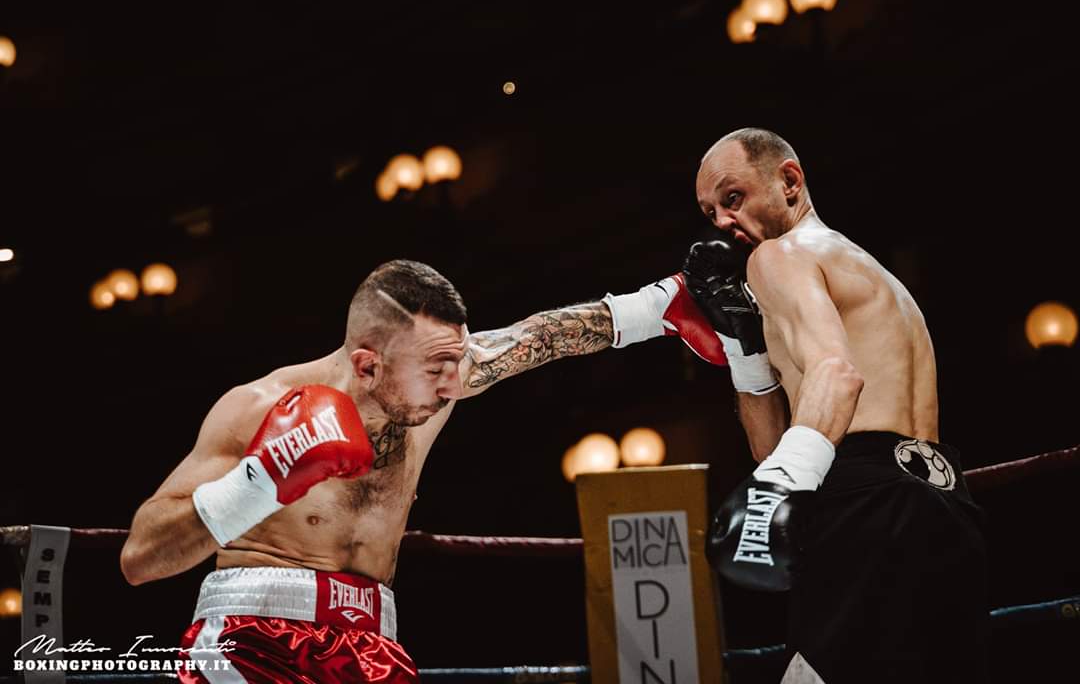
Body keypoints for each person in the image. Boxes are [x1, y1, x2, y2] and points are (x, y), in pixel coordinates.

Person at [120, 258, 725, 683]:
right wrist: (259, 480)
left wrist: (660, 306)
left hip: (371, 643)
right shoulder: (255, 408)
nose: (453, 384)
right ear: (368, 365)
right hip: (252, 643)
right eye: (436, 369)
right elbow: (141, 558)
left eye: (456, 362)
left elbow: (541, 336)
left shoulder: (441, 378)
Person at [687, 128, 988, 683]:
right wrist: (744, 346)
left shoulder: (778, 258)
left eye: (733, 198)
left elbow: (835, 375)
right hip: (945, 502)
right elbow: (772, 444)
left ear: (790, 181)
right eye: (711, 213)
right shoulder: (870, 272)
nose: (724, 223)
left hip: (865, 503)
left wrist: (775, 488)